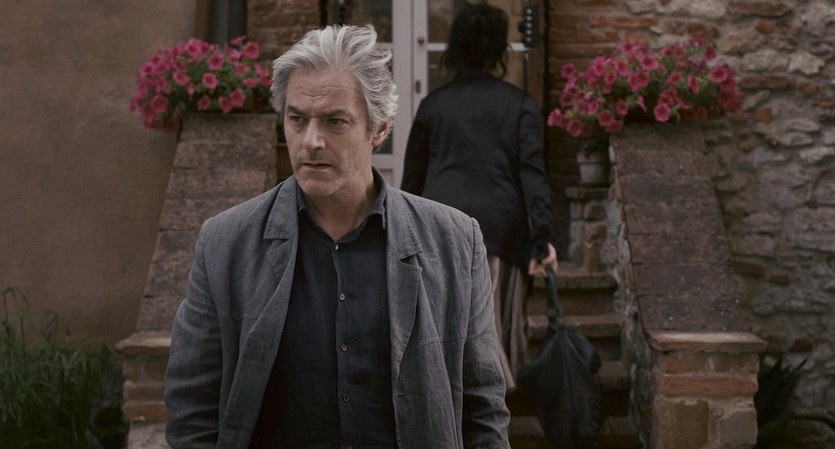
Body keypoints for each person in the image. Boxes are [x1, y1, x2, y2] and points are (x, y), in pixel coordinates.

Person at [163, 24, 511, 449]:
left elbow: (483, 410)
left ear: (379, 129)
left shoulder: (454, 241)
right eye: (297, 119)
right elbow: (192, 412)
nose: (311, 141)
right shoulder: (226, 243)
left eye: (334, 121)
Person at [401, 3, 558, 392]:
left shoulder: (433, 105)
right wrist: (542, 238)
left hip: (437, 228)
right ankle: (488, 408)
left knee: (442, 329)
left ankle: (451, 407)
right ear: (499, 50)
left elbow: (411, 184)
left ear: (456, 47)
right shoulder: (520, 105)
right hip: (500, 230)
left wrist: (401, 239)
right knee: (494, 334)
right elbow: (533, 175)